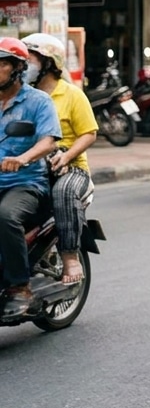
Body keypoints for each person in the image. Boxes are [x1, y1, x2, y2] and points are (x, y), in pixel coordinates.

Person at [23, 33, 98, 285]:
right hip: (30, 165)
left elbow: (89, 133)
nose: (25, 65)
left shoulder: (72, 95)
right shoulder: (23, 96)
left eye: (30, 59)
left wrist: (67, 156)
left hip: (70, 167)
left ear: (48, 62)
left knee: (63, 193)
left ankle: (69, 257)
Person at [0, 37, 61, 319]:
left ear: (17, 68)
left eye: (1, 64)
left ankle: (18, 286)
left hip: (26, 183)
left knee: (5, 216)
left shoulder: (38, 101)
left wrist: (23, 159)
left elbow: (49, 141)